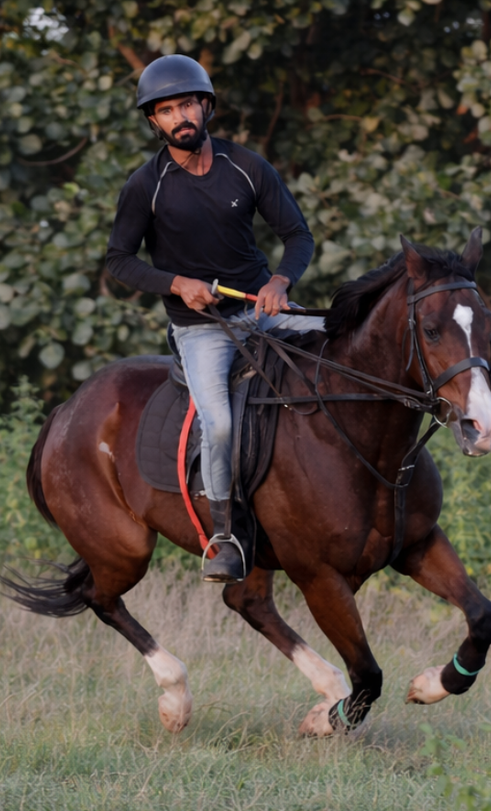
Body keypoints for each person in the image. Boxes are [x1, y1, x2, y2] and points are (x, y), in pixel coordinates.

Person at [105, 54, 323, 584]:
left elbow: (298, 237)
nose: (179, 117)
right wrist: (177, 283)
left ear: (205, 106)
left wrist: (279, 283)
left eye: (186, 104)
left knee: (342, 344)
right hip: (202, 330)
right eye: (165, 111)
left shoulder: (247, 167)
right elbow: (119, 260)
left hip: (261, 312)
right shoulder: (145, 186)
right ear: (153, 122)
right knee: (219, 423)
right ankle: (225, 536)